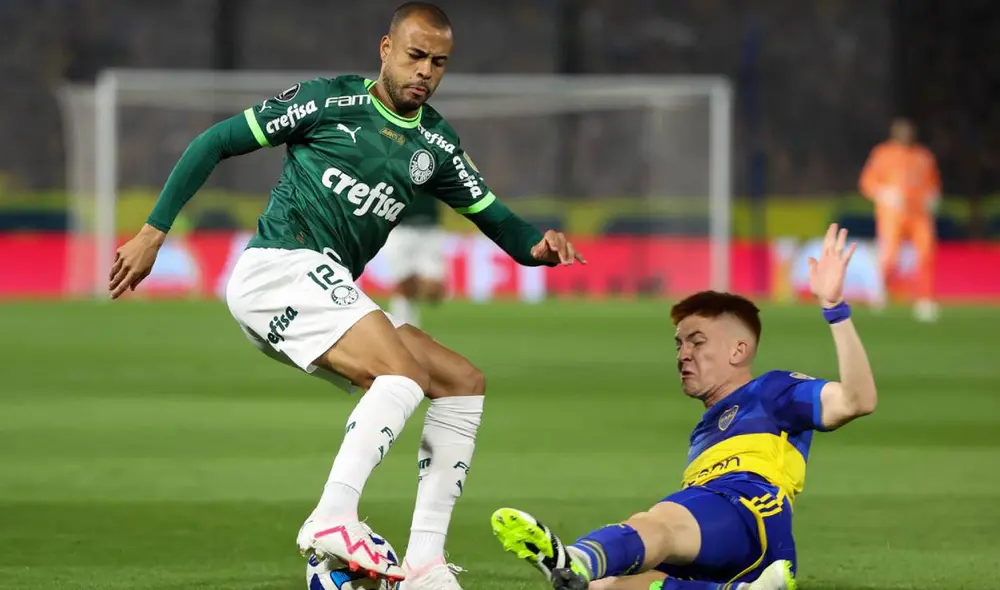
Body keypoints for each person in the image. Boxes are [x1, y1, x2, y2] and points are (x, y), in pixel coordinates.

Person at [107, 3, 585, 589]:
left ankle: (425, 564)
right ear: (385, 49)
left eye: (438, 62)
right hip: (280, 266)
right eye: (415, 56)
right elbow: (215, 142)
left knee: (461, 380)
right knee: (403, 375)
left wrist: (537, 246)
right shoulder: (328, 101)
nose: (425, 72)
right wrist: (154, 232)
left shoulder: (435, 144)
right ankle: (333, 516)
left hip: (320, 287)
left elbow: (496, 219)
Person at [490, 224, 877, 590]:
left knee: (657, 525)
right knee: (605, 586)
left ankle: (575, 557)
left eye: (697, 341)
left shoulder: (772, 390)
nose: (683, 355)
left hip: (748, 511)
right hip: (750, 551)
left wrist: (835, 308)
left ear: (737, 350)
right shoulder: (706, 429)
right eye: (679, 344)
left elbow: (858, 401)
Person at [859, 117, 942, 322]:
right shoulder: (882, 154)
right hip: (892, 214)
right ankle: (881, 292)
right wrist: (884, 193)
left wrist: (933, 197)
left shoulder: (923, 156)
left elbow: (933, 183)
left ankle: (925, 299)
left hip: (919, 214)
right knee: (890, 256)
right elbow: (867, 182)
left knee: (925, 255)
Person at [382, 193, 448, 328]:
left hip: (429, 230)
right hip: (399, 229)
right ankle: (404, 330)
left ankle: (405, 327)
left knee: (434, 292)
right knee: (404, 286)